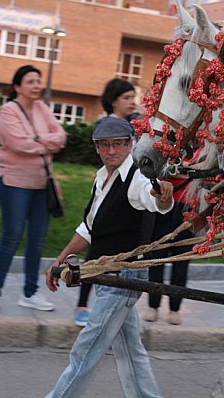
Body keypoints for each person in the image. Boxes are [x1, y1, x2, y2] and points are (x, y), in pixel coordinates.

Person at [45, 116, 173, 397]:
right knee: (130, 352)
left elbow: (154, 199)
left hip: (124, 278)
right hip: (106, 277)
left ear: (130, 144)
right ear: (97, 148)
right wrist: (61, 258)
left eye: (118, 144)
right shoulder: (102, 177)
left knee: (86, 349)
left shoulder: (138, 177)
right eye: (104, 145)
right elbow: (89, 228)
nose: (111, 150)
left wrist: (163, 198)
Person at [0, 65, 67, 314]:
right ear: (17, 86)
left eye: (38, 81)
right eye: (30, 81)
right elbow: (17, 143)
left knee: (37, 240)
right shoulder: (9, 111)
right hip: (13, 182)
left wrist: (36, 141)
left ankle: (30, 293)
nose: (36, 86)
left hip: (41, 183)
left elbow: (61, 137)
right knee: (11, 236)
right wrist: (45, 143)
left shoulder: (42, 108)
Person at [74, 78, 137, 326]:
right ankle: (82, 303)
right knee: (95, 246)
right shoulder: (104, 126)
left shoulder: (137, 124)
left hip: (130, 198)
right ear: (114, 101)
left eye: (134, 97)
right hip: (110, 194)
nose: (132, 102)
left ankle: (113, 304)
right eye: (127, 98)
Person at [142, 177, 194, 326]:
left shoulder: (198, 153)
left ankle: (175, 309)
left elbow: (200, 169)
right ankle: (153, 306)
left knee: (181, 264)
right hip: (161, 206)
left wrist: (181, 168)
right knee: (156, 260)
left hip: (187, 207)